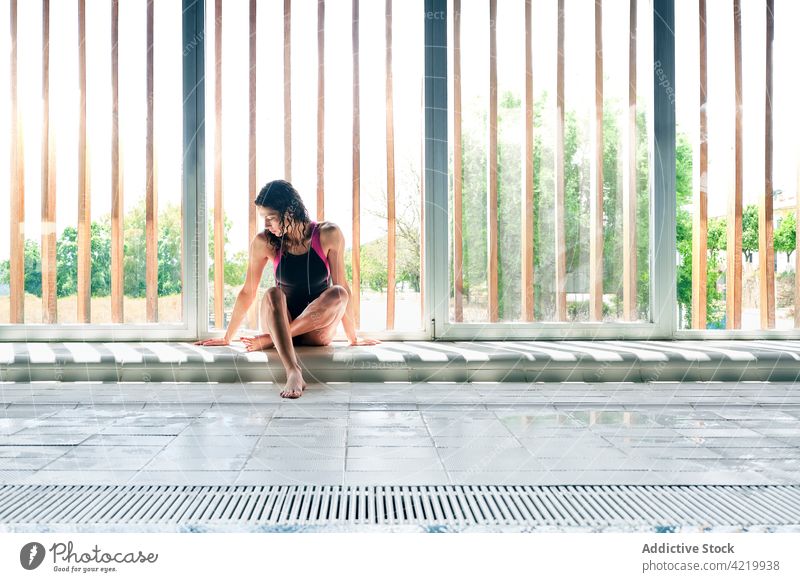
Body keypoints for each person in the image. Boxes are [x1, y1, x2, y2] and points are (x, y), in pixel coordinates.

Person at [195, 179, 380, 398]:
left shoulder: (328, 233)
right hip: (281, 320)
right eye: (264, 218)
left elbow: (343, 286)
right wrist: (228, 337)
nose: (266, 225)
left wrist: (353, 337)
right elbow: (248, 291)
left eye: (271, 218)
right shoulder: (265, 241)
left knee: (338, 292)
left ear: (290, 211)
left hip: (317, 330)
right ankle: (293, 370)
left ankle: (270, 339)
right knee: (272, 293)